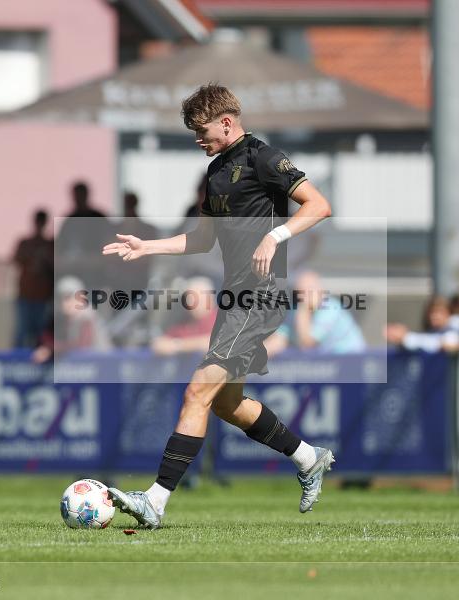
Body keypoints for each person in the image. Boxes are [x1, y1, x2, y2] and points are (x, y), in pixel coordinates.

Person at [102, 83, 333, 529]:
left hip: (258, 296)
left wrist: (275, 235)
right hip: (235, 299)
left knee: (197, 391)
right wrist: (146, 246)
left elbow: (319, 206)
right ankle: (309, 457)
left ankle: (155, 500)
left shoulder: (264, 157)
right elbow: (203, 238)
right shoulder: (215, 172)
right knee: (227, 403)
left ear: (226, 123)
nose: (196, 139)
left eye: (201, 129)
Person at [265, 270, 365, 357]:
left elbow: (307, 344)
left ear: (321, 291)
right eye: (301, 292)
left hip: (352, 360)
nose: (306, 296)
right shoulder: (296, 310)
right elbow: (279, 340)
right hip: (328, 365)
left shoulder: (330, 308)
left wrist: (304, 309)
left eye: (310, 290)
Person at [31, 276, 111, 363]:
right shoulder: (61, 317)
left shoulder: (87, 317)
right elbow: (45, 336)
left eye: (70, 297)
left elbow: (82, 348)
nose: (65, 302)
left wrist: (51, 349)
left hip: (99, 366)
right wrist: (46, 347)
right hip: (79, 367)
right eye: (62, 298)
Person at [55, 180, 110, 289]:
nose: (78, 199)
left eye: (80, 195)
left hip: (95, 271)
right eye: (76, 196)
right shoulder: (69, 220)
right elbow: (60, 244)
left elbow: (108, 241)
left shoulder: (98, 218)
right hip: (74, 271)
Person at [12, 209, 54, 348]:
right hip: (25, 294)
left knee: (41, 332)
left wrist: (45, 259)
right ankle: (16, 360)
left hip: (43, 297)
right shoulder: (25, 243)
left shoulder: (50, 244)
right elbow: (16, 260)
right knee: (22, 331)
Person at [151, 277, 217, 356]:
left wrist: (177, 345)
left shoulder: (224, 318)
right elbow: (161, 343)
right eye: (189, 299)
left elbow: (213, 343)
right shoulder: (187, 322)